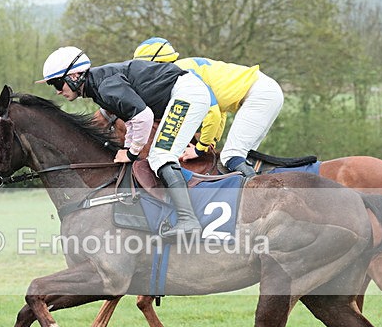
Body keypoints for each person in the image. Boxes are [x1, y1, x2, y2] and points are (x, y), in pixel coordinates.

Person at [37, 46, 214, 239]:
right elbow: (131, 121)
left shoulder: (105, 86)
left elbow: (144, 117)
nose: (57, 91)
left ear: (74, 76)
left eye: (56, 83)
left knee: (161, 156)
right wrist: (129, 148)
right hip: (184, 93)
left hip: (186, 94)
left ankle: (188, 220)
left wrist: (131, 153)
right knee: (159, 155)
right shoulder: (98, 86)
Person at [133, 37, 284, 177]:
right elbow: (220, 110)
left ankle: (258, 194)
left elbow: (214, 114)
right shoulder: (185, 66)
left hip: (260, 94)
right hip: (265, 91)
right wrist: (211, 142)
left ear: (155, 63)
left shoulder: (182, 75)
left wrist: (199, 149)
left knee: (231, 156)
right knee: (242, 156)